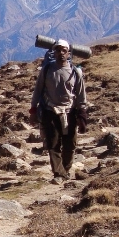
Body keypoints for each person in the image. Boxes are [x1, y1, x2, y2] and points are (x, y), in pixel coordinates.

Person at [29, 38, 88, 183]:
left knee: (70, 144)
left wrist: (82, 115)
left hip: (70, 112)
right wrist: (33, 110)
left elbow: (81, 94)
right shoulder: (47, 69)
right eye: (58, 50)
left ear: (69, 53)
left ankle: (65, 170)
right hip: (51, 111)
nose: (61, 53)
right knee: (53, 144)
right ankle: (59, 174)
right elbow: (38, 90)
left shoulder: (75, 72)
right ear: (53, 52)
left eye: (64, 50)